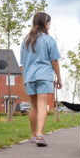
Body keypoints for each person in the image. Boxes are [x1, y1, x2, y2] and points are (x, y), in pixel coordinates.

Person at [20, 12, 62, 146]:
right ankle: (40, 134)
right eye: (48, 23)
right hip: (44, 76)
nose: (49, 26)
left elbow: (23, 62)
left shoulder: (26, 41)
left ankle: (33, 135)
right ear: (45, 24)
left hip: (29, 76)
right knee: (42, 105)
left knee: (33, 106)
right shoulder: (49, 40)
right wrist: (59, 78)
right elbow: (54, 61)